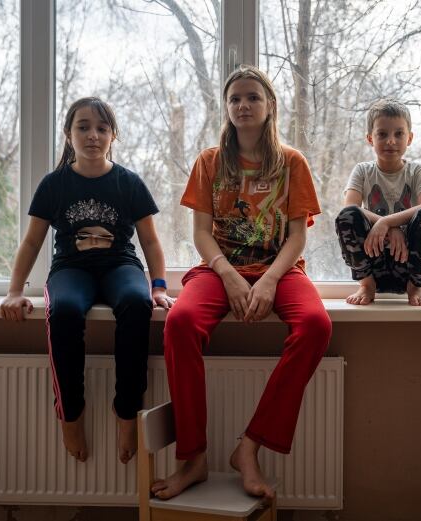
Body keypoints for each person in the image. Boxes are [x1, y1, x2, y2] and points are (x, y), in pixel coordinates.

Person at [152, 66, 332, 501]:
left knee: (316, 326)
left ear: (270, 106)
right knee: (179, 324)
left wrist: (269, 281)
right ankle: (192, 459)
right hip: (219, 269)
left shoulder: (292, 162)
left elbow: (297, 236)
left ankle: (248, 448)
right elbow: (200, 233)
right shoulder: (210, 162)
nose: (243, 106)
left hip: (280, 269)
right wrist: (229, 276)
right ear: (227, 108)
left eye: (253, 97)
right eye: (235, 99)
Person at [0, 97, 173, 464]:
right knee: (62, 311)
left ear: (113, 135)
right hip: (71, 269)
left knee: (136, 303)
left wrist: (158, 286)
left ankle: (127, 412)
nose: (92, 135)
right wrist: (15, 291)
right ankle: (70, 414)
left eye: (101, 128)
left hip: (119, 266)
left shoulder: (129, 183)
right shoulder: (54, 185)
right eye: (83, 127)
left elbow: (151, 240)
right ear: (68, 134)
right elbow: (32, 242)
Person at [335, 98, 421, 306]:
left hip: (409, 264)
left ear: (410, 138)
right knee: (348, 215)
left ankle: (417, 286)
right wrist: (390, 227)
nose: (391, 141)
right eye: (382, 134)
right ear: (370, 138)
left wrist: (386, 222)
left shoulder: (418, 171)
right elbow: (349, 208)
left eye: (399, 134)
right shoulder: (363, 171)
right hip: (373, 262)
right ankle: (366, 285)